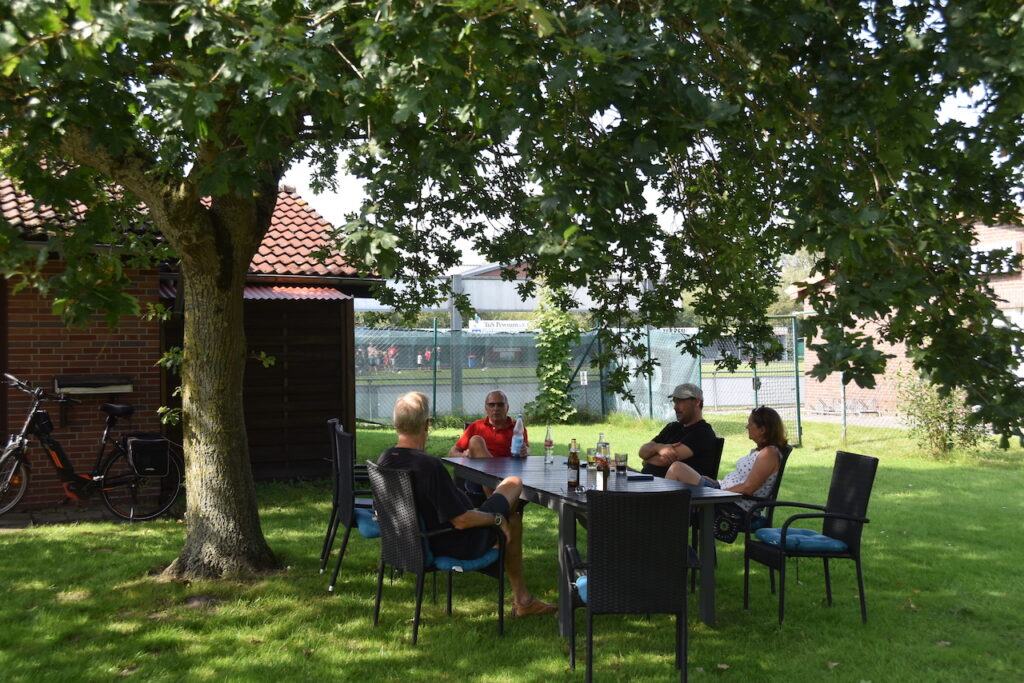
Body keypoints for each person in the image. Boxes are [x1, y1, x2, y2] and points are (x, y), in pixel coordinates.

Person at [378, 392, 556, 618]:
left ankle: (524, 600)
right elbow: (462, 521)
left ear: (396, 423)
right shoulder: (429, 466)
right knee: (514, 492)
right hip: (454, 542)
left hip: (412, 541)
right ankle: (523, 601)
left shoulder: (386, 459)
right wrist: (496, 519)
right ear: (427, 425)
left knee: (510, 504)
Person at [664, 406, 787, 512]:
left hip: (731, 502)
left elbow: (748, 488)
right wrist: (716, 483)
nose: (747, 427)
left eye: (750, 424)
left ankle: (663, 521)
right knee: (677, 472)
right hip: (722, 491)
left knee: (677, 469)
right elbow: (742, 481)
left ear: (762, 430)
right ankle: (668, 520)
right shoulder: (762, 451)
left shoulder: (769, 454)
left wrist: (717, 494)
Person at [637, 383, 718, 477]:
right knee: (616, 465)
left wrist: (647, 460)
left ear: (697, 402)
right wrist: (658, 447)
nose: (675, 407)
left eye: (680, 401)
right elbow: (642, 451)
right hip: (649, 481)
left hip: (676, 489)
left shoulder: (702, 432)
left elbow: (664, 460)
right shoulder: (672, 427)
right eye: (675, 402)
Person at [448, 390, 529, 459]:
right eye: (491, 405)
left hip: (509, 471)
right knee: (476, 440)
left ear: (507, 407)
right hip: (481, 473)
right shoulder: (476, 426)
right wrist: (463, 455)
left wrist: (525, 451)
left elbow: (527, 449)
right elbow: (452, 452)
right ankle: (491, 475)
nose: (496, 408)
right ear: (486, 408)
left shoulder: (517, 427)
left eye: (500, 405)